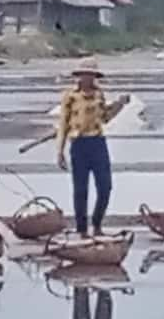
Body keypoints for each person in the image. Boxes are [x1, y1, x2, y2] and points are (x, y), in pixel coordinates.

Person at [55, 57, 129, 237]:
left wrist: (119, 105)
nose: (86, 78)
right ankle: (82, 230)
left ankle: (96, 224)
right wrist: (60, 151)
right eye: (83, 74)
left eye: (90, 75)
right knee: (81, 190)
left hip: (97, 143)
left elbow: (105, 118)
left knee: (105, 187)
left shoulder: (98, 94)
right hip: (78, 145)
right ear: (78, 75)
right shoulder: (70, 96)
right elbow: (63, 124)